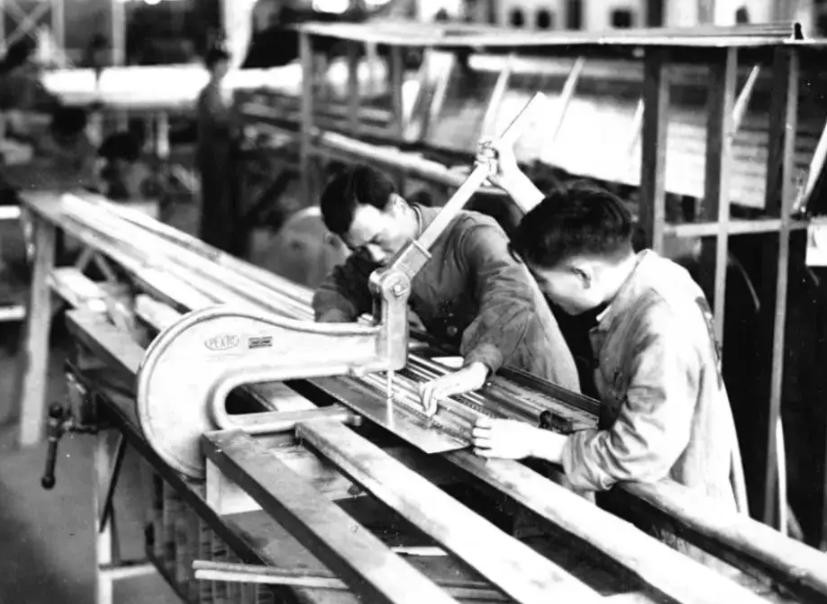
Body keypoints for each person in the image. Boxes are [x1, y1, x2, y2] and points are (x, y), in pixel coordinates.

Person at [470, 144, 747, 516]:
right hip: (650, 497)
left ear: (584, 275)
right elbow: (574, 242)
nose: (545, 294)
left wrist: (536, 443)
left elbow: (640, 453)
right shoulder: (650, 273)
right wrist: (513, 182)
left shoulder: (662, 328)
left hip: (679, 515)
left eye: (544, 282)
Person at [312, 164, 580, 412]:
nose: (374, 256)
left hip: (538, 383)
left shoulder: (472, 233)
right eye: (360, 249)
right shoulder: (380, 255)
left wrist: (478, 366)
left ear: (398, 205)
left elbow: (509, 296)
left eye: (377, 240)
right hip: (482, 384)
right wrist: (336, 338)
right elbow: (339, 289)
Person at [196, 45, 240, 254]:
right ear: (213, 66)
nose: (226, 68)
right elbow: (218, 122)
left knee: (219, 203)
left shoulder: (218, 92)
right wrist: (235, 117)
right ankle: (215, 245)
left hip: (219, 155)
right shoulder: (210, 93)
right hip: (214, 157)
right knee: (216, 204)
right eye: (223, 63)